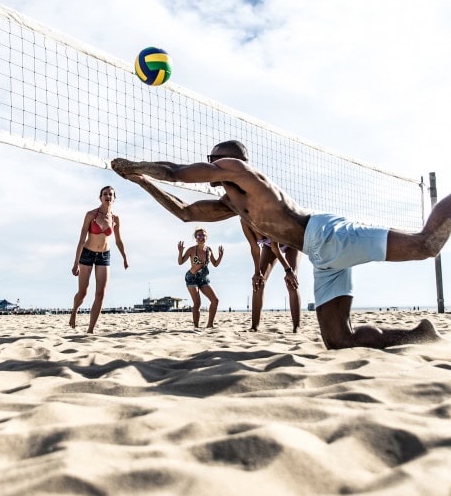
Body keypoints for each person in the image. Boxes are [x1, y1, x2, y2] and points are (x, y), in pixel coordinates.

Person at [111, 140, 450, 349]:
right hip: (320, 254)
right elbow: (185, 213)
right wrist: (141, 181)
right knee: (339, 341)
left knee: (426, 245)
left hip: (329, 236)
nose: (210, 164)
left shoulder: (241, 173)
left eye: (214, 159)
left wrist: (135, 165)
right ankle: (420, 334)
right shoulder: (232, 202)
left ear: (230, 161)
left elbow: (176, 172)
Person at [69, 186, 128, 334]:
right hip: (87, 254)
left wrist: (124, 258)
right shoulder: (90, 215)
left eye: (111, 194)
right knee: (83, 292)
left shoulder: (116, 219)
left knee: (100, 294)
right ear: (100, 197)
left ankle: (90, 330)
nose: (108, 196)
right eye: (105, 194)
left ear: (114, 199)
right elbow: (82, 239)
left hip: (104, 255)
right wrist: (76, 262)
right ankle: (74, 311)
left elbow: (119, 241)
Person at [241, 220, 302, 332]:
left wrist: (288, 271)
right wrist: (257, 272)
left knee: (291, 282)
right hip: (270, 246)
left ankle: (297, 327)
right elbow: (254, 248)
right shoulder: (244, 221)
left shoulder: (266, 215)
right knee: (258, 282)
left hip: (292, 242)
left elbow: (276, 248)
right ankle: (255, 327)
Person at [178, 227, 224, 330]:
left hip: (203, 278)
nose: (201, 237)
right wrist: (180, 252)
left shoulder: (209, 250)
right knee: (197, 303)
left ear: (206, 237)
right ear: (196, 238)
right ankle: (196, 326)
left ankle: (210, 325)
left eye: (203, 235)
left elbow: (215, 264)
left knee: (215, 300)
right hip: (192, 278)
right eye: (199, 235)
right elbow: (180, 262)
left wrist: (220, 256)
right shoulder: (191, 250)